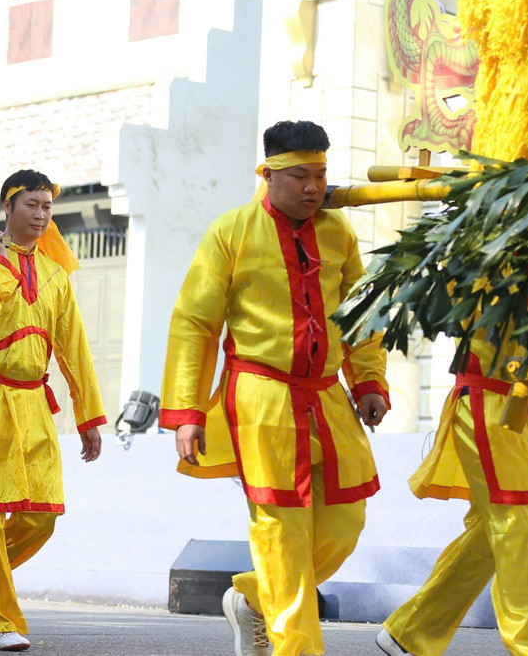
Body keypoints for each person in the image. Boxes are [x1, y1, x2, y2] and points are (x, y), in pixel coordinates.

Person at [161, 121, 390, 656]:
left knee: (345, 520)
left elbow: (361, 314)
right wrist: (188, 410)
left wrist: (370, 379)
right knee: (281, 530)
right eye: (299, 176)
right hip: (261, 396)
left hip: (329, 396)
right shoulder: (231, 231)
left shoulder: (338, 232)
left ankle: (253, 598)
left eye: (321, 175)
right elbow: (195, 322)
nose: (313, 188)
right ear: (268, 174)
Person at [0, 169, 106, 652]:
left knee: (41, 516)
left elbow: (74, 349)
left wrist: (88, 417)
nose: (40, 215)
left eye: (47, 207)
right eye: (31, 205)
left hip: (33, 401)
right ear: (8, 208)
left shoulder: (55, 274)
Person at [375, 342, 528, 655]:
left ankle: (411, 632)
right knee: (514, 529)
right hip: (496, 401)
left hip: (522, 401)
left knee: (493, 536)